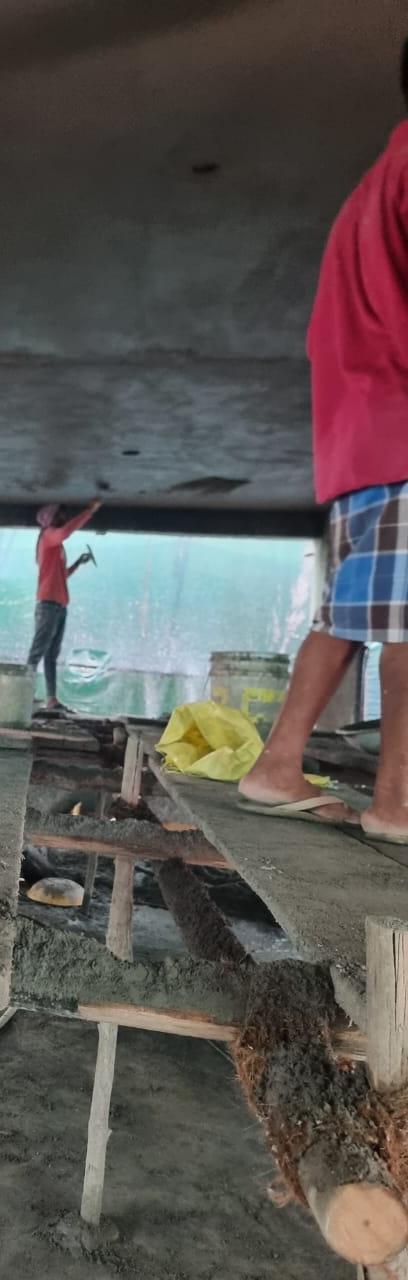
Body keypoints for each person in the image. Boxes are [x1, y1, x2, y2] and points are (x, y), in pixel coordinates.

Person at [239, 42, 408, 841]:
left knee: (349, 613)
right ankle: (397, 800)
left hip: (361, 439)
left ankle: (279, 764)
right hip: (402, 428)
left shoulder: (371, 188)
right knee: (400, 621)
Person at [27, 502, 102, 714]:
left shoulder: (56, 547)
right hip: (49, 605)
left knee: (50, 655)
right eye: (60, 514)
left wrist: (77, 563)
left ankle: (51, 699)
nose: (64, 517)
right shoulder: (49, 536)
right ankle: (23, 694)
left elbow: (61, 575)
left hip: (58, 606)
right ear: (50, 519)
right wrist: (89, 511)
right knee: (37, 652)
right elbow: (65, 532)